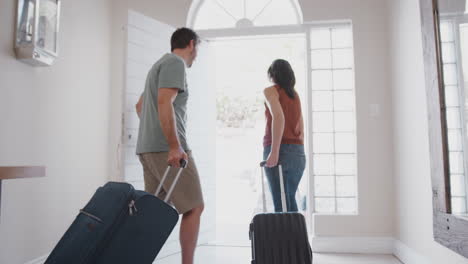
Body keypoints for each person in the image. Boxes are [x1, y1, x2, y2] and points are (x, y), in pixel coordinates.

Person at [135, 27, 204, 264]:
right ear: (192, 44)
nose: (196, 55)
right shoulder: (176, 63)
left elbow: (140, 106)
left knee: (153, 213)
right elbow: (165, 101)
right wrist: (174, 145)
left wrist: (152, 132)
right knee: (194, 207)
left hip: (148, 147)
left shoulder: (158, 65)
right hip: (168, 149)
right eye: (197, 50)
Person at [263, 59, 306, 213]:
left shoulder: (271, 91)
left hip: (280, 149)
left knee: (281, 204)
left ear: (272, 75)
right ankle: (296, 237)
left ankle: (285, 238)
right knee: (289, 200)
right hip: (298, 152)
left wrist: (274, 152)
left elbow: (278, 117)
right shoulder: (295, 95)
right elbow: (300, 127)